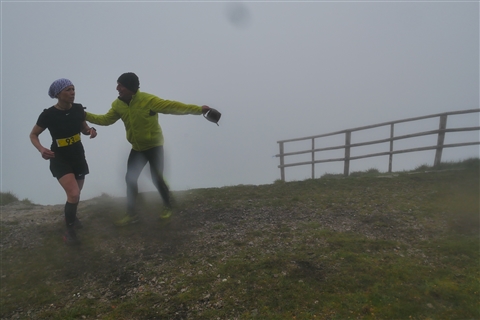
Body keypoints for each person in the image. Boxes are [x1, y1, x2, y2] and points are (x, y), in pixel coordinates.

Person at [85, 72, 211, 226]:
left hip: (154, 147)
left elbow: (173, 107)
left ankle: (167, 206)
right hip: (137, 148)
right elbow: (105, 120)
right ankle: (132, 214)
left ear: (130, 87)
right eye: (118, 84)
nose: (117, 88)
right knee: (130, 179)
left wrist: (198, 109)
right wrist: (84, 114)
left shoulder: (148, 100)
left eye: (121, 85)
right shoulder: (117, 105)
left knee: (156, 178)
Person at [30, 78, 97, 245]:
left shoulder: (78, 109)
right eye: (68, 90)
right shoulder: (48, 114)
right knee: (73, 193)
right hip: (59, 157)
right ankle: (69, 232)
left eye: (73, 89)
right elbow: (33, 135)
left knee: (76, 194)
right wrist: (41, 149)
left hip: (78, 155)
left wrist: (90, 131)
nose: (72, 92)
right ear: (58, 94)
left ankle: (72, 218)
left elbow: (83, 127)